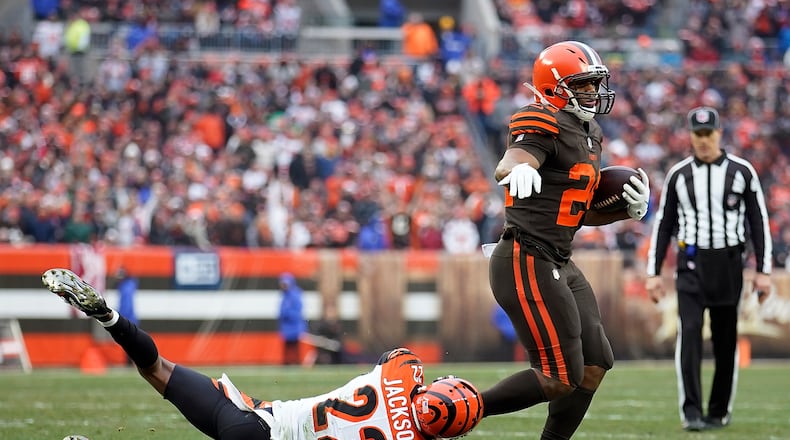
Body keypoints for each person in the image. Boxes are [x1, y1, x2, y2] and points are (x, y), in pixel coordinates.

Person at [42, 268, 484, 440]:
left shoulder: (404, 371)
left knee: (157, 369)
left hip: (252, 417)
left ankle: (109, 318)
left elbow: (395, 358)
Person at [483, 41, 650, 440]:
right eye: (583, 84)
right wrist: (518, 168)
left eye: (595, 83)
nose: (593, 92)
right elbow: (511, 160)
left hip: (557, 257)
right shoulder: (540, 117)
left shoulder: (590, 131)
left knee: (595, 363)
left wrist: (624, 211)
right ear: (554, 87)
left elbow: (578, 211)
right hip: (525, 254)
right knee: (559, 376)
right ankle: (449, 408)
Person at [645, 106, 772, 432]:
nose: (703, 140)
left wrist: (764, 271)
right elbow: (664, 224)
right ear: (690, 135)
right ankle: (691, 411)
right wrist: (653, 273)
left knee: (725, 340)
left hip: (729, 263)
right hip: (690, 264)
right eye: (697, 134)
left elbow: (758, 221)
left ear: (718, 133)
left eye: (708, 133)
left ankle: (718, 410)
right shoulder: (679, 174)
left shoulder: (742, 171)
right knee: (689, 334)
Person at [277, 272, 307, 365]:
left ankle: (294, 364)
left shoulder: (295, 295)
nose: (283, 286)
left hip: (294, 328)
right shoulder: (285, 295)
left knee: (294, 350)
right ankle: (289, 364)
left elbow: (297, 313)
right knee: (288, 349)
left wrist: (286, 314)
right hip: (287, 328)